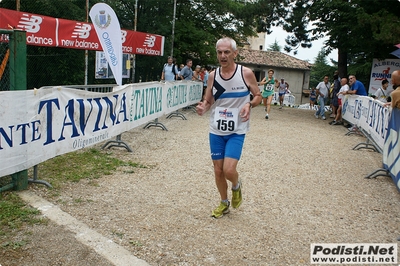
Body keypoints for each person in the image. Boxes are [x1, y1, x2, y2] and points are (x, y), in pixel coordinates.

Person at [196, 37, 262, 218]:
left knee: (229, 170)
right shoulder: (212, 76)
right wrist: (204, 106)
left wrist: (249, 104)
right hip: (216, 129)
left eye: (226, 52)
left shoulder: (246, 73)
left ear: (235, 53)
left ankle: (236, 185)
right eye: (219, 52)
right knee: (217, 170)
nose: (223, 56)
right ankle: (224, 203)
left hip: (237, 130)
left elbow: (258, 96)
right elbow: (209, 100)